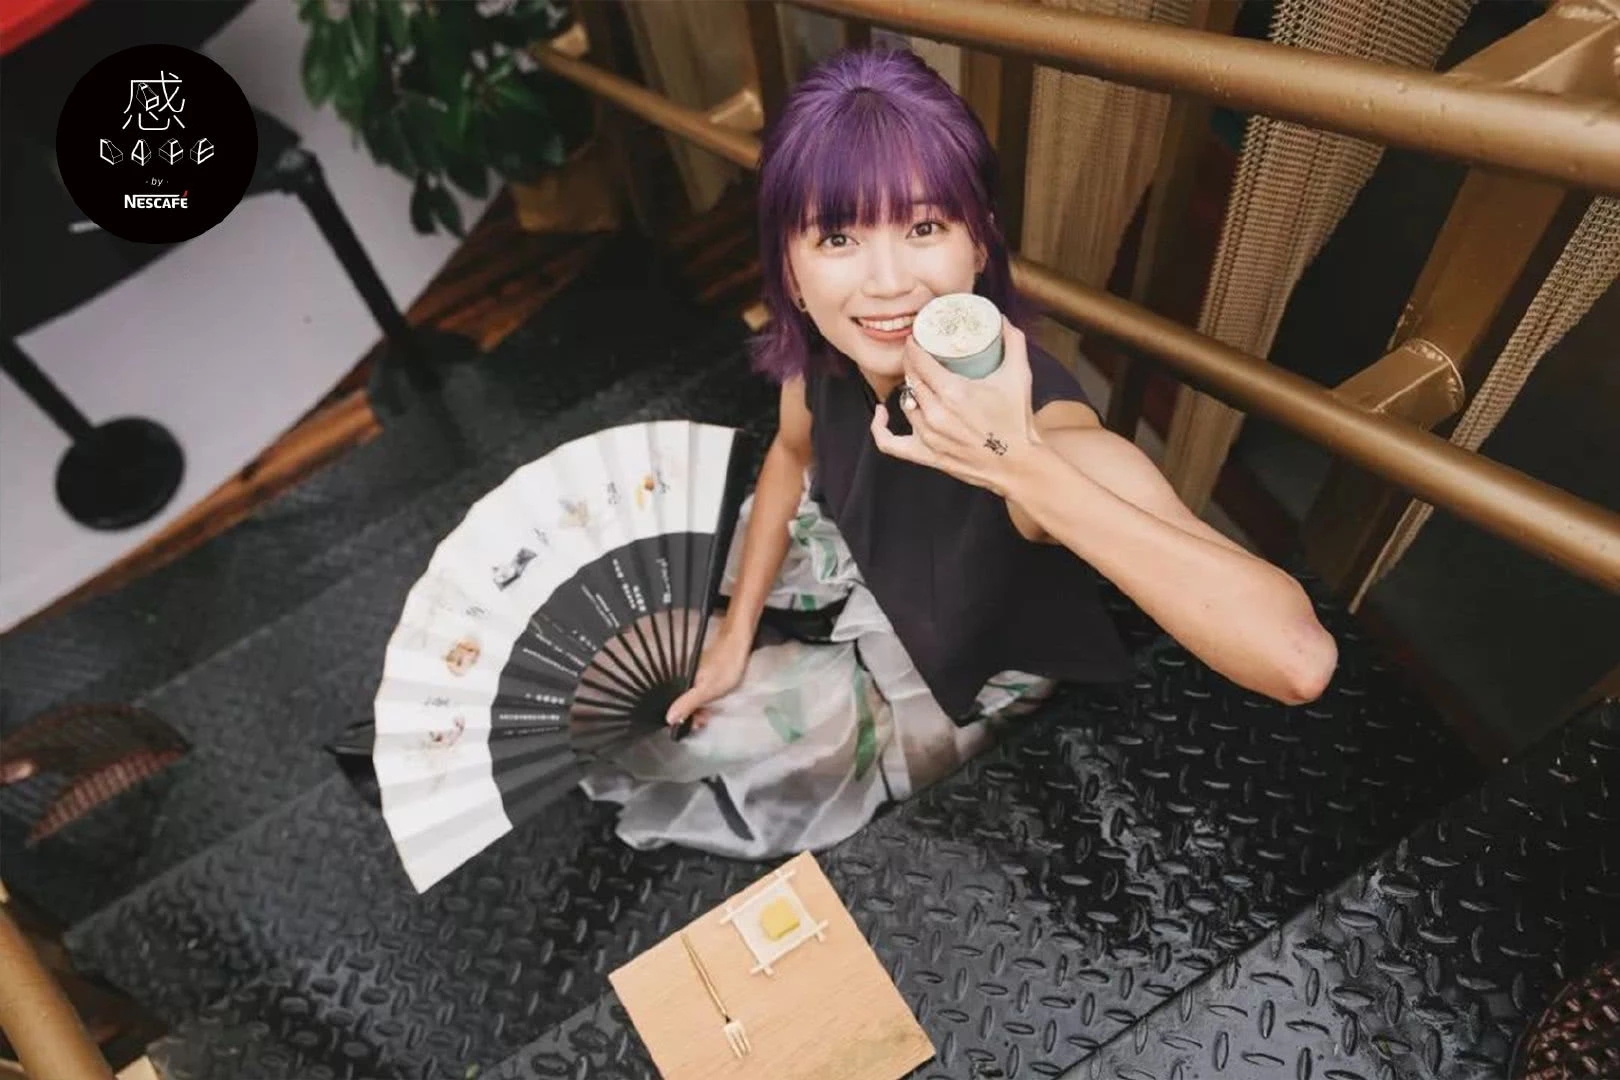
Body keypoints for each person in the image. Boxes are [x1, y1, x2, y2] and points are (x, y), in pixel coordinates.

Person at [579, 46, 1338, 858]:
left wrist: (1016, 462)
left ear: (979, 244)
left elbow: (1297, 659)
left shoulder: (1051, 433)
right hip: (858, 558)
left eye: (924, 227)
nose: (886, 282)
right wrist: (736, 634)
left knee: (708, 739)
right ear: (791, 273)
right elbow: (794, 456)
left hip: (952, 671)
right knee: (624, 657)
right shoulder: (826, 351)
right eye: (837, 237)